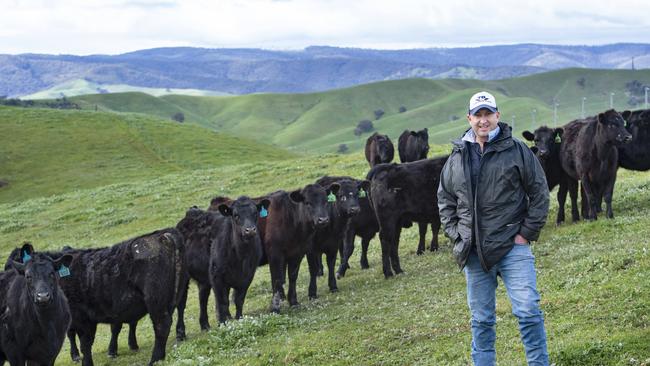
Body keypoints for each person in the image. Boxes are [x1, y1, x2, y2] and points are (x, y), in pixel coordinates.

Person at [437, 91, 550, 365]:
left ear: (497, 116)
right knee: (481, 320)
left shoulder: (517, 149)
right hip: (474, 253)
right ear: (470, 118)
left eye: (488, 114)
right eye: (478, 115)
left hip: (513, 247)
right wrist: (458, 236)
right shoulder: (457, 156)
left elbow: (539, 192)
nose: (483, 120)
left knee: (528, 311)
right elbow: (445, 199)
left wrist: (525, 234)